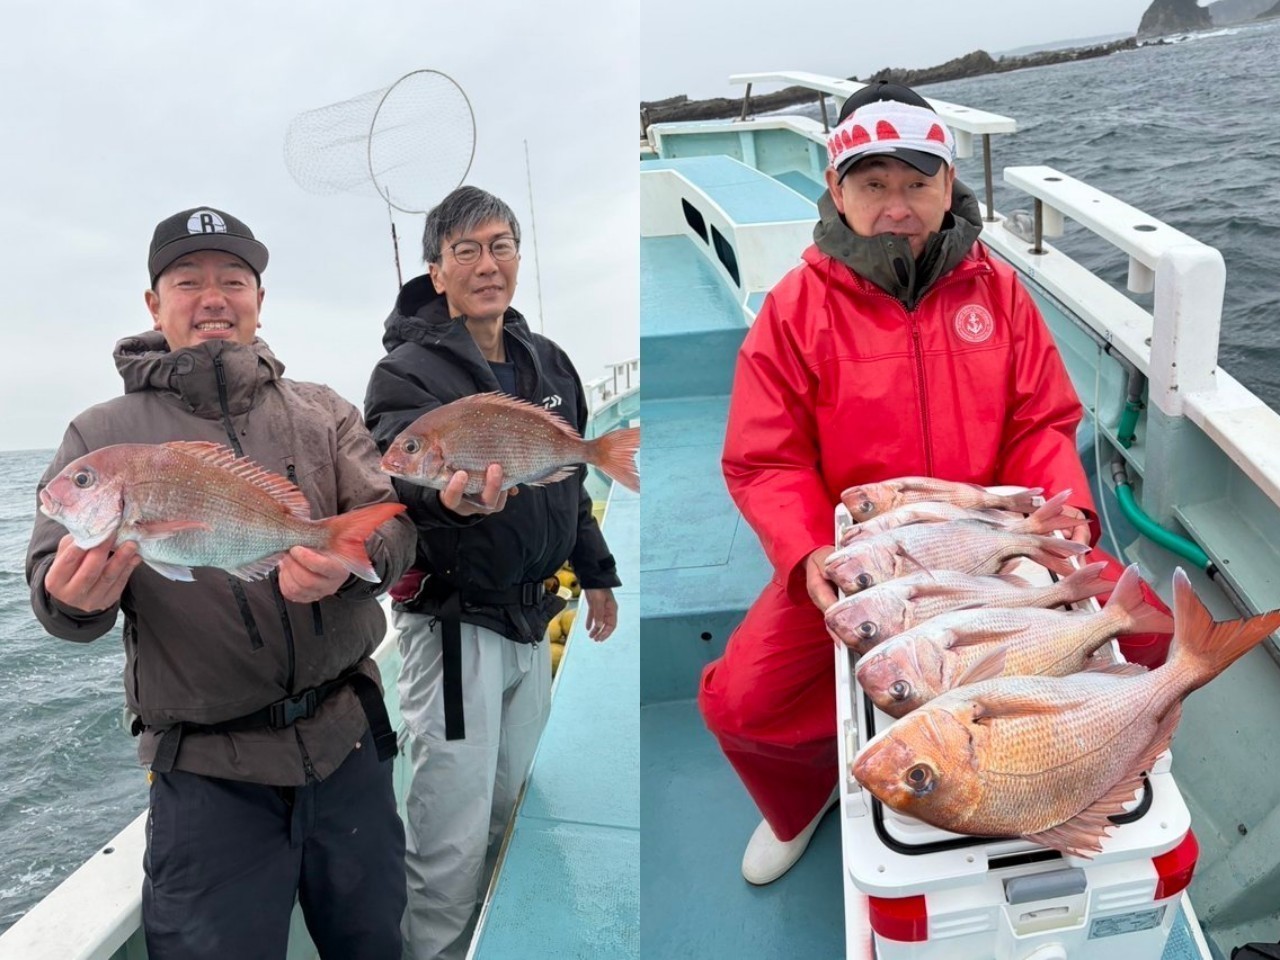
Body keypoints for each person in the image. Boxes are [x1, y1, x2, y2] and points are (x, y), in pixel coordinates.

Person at [698, 82, 1172, 886]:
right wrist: (807, 552)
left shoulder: (999, 291)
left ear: (949, 186)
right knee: (740, 703)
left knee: (1151, 630)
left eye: (918, 183)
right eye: (874, 185)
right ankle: (804, 797)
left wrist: (1064, 514)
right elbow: (765, 459)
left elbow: (1039, 424)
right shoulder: (793, 309)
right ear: (837, 192)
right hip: (862, 563)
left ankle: (1083, 772)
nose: (897, 206)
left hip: (994, 543)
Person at [25, 206, 416, 959]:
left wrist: (350, 567)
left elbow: (389, 526)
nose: (213, 297)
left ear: (259, 300)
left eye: (233, 280)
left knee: (374, 944)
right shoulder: (98, 436)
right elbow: (51, 584)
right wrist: (70, 601)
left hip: (348, 747)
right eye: (187, 281)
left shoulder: (323, 412)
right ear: (153, 304)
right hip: (207, 778)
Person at [364, 185, 622, 960]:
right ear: (436, 272)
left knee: (513, 802)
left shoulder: (548, 361)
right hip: (453, 633)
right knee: (449, 832)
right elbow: (393, 479)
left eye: (502, 245)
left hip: (529, 617)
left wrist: (596, 571)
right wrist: (447, 505)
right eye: (466, 251)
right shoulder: (404, 375)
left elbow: (569, 479)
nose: (488, 264)